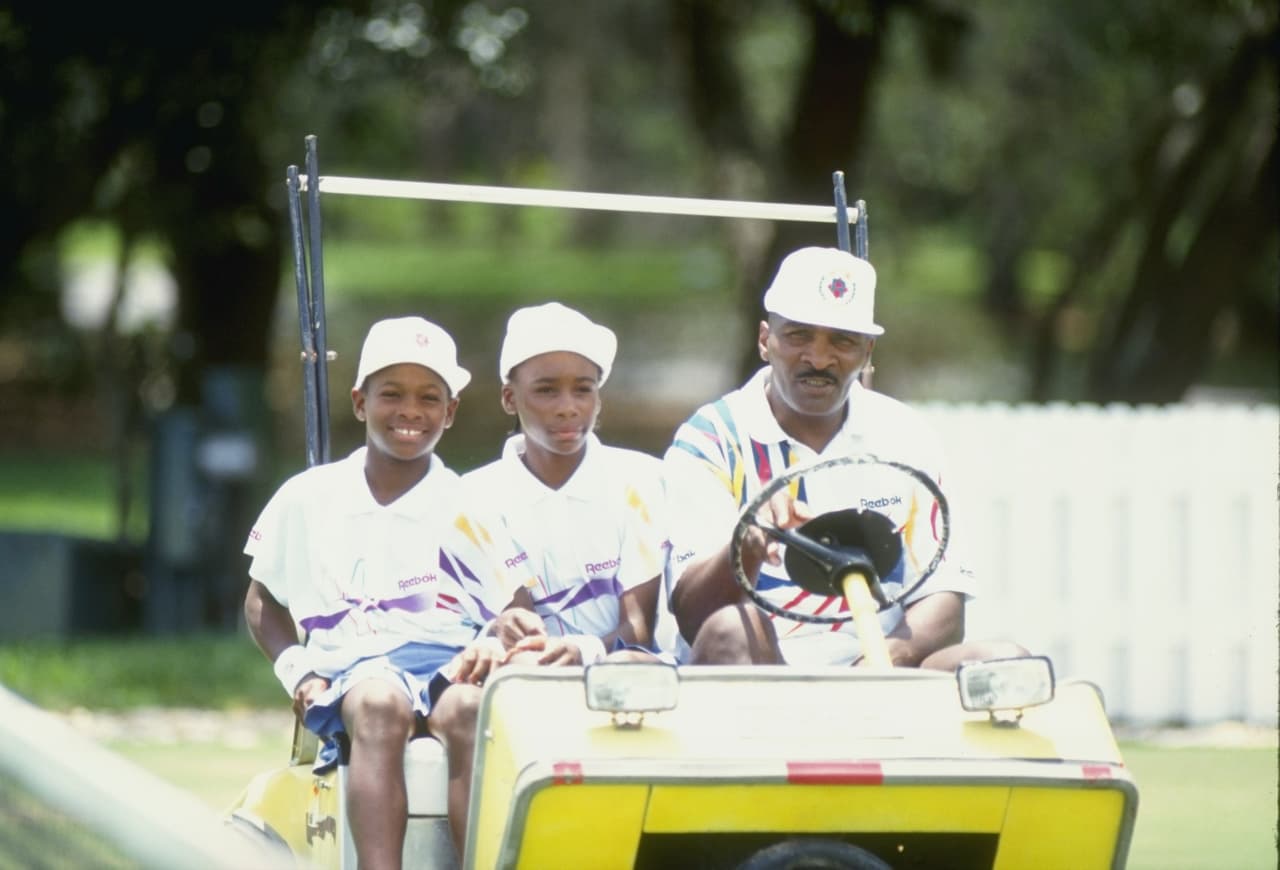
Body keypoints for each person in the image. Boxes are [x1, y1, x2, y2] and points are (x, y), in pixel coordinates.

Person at [242, 316, 533, 869]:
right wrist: (298, 672)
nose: (410, 411)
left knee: (470, 709)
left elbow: (517, 605)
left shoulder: (471, 504)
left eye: (429, 398)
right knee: (379, 705)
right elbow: (261, 601)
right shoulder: (308, 496)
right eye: (392, 394)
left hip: (448, 661)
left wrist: (495, 641)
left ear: (450, 411)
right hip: (353, 669)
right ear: (360, 402)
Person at [664, 246, 1025, 668]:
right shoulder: (712, 440)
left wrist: (879, 662)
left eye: (843, 340)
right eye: (798, 335)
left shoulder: (905, 435)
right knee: (732, 628)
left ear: (867, 352)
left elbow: (944, 599)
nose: (819, 358)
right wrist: (747, 543)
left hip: (880, 668)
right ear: (765, 340)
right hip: (762, 674)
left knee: (1008, 662)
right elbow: (694, 617)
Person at [463, 302, 671, 665]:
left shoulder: (642, 481)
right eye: (546, 390)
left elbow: (639, 627)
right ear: (509, 398)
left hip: (626, 669)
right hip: (528, 671)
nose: (568, 407)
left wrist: (585, 652)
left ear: (598, 398)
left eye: (583, 389)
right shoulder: (474, 498)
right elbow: (519, 625)